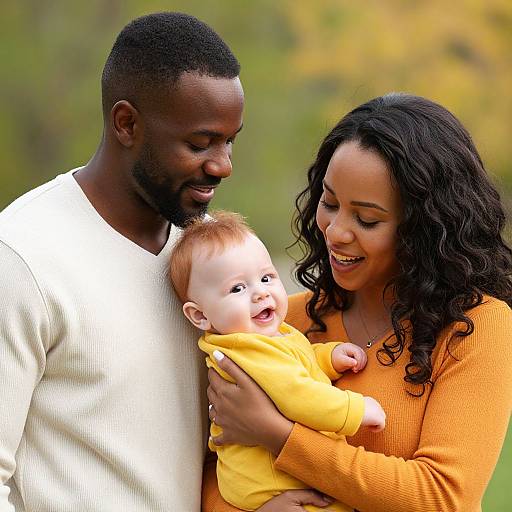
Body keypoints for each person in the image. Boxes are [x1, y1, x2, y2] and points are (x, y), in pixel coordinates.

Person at [202, 93, 512, 512]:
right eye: (329, 204)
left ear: (424, 229)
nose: (335, 232)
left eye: (367, 219)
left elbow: (443, 497)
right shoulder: (276, 324)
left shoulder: (476, 327)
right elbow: (212, 468)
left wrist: (276, 434)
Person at [0, 12, 244, 511]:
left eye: (229, 140)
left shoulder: (211, 256)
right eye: (200, 143)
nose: (222, 165)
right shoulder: (22, 256)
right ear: (126, 123)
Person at [169, 210, 386, 512]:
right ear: (200, 315)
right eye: (237, 288)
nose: (260, 293)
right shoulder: (246, 349)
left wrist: (328, 358)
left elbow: (296, 361)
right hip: (275, 485)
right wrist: (356, 409)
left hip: (271, 479)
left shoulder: (268, 336)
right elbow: (298, 396)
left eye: (266, 277)